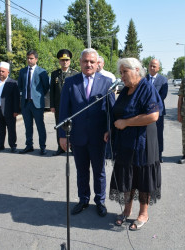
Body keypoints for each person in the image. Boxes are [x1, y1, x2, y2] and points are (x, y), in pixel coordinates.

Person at [107, 57, 162, 230]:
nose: (121, 76)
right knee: (126, 177)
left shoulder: (147, 88)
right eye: (120, 72)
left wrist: (126, 123)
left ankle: (143, 214)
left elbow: (153, 116)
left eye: (125, 72)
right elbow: (118, 113)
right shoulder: (125, 90)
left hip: (143, 143)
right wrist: (112, 129)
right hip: (125, 142)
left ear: (137, 70)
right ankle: (127, 210)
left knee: (142, 178)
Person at [59, 48, 115, 217]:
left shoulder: (106, 82)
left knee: (99, 171)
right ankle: (83, 199)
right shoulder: (70, 82)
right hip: (78, 136)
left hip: (99, 136)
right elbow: (63, 110)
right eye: (85, 61)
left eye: (92, 61)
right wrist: (62, 136)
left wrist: (110, 130)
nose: (88, 64)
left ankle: (100, 201)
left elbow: (111, 110)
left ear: (97, 63)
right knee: (81, 171)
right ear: (80, 62)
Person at [18, 50, 50, 155]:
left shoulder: (42, 72)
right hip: (26, 103)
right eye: (27, 58)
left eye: (31, 58)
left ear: (36, 59)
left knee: (40, 126)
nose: (29, 60)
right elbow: (20, 86)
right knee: (28, 126)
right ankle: (29, 145)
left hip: (37, 103)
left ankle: (42, 147)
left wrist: (37, 96)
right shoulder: (22, 71)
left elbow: (46, 87)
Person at [50, 49, 78, 156]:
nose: (65, 62)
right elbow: (52, 91)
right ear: (59, 62)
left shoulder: (75, 74)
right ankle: (60, 147)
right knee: (59, 125)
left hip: (71, 106)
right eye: (62, 60)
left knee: (73, 126)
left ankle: (73, 147)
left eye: (67, 60)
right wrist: (52, 105)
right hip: (58, 106)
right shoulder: (54, 74)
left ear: (70, 61)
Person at [0, 62, 20, 153]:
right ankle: (0, 145)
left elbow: (16, 99)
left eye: (3, 71)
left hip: (9, 111)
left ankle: (13, 145)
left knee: (11, 129)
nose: (1, 73)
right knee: (1, 129)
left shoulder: (13, 83)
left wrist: (16, 110)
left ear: (8, 72)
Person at [147, 59, 168, 163]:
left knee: (158, 133)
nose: (152, 68)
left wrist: (151, 103)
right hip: (145, 112)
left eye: (154, 66)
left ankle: (159, 154)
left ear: (158, 68)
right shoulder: (143, 78)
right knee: (146, 133)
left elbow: (162, 95)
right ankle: (148, 153)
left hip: (158, 111)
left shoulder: (163, 80)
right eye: (150, 65)